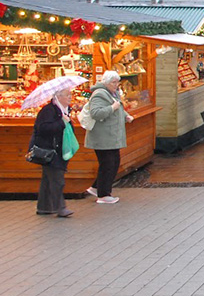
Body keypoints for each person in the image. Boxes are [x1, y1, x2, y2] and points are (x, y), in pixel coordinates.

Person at [85, 70, 133, 204]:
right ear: (106, 82)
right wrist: (112, 108)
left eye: (117, 82)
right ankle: (103, 195)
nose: (116, 85)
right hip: (102, 137)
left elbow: (119, 109)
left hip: (110, 136)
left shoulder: (112, 93)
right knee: (108, 164)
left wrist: (126, 116)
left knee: (112, 162)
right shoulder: (99, 94)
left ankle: (96, 188)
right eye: (113, 82)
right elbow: (96, 113)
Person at [32, 87, 74, 217]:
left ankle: (44, 207)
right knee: (57, 179)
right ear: (58, 97)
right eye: (67, 95)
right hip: (50, 150)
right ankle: (60, 208)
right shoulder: (48, 111)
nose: (70, 97)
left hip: (57, 149)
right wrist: (62, 122)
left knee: (47, 179)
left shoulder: (63, 110)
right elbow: (43, 128)